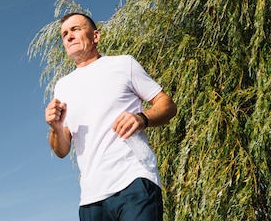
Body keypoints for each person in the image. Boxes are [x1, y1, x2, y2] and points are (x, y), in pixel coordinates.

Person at [45, 12, 177, 221]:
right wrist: (55, 127)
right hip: (91, 198)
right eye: (64, 34)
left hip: (134, 180)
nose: (68, 36)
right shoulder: (63, 86)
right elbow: (62, 150)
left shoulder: (124, 65)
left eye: (75, 29)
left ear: (95, 36)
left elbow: (167, 104)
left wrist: (142, 118)